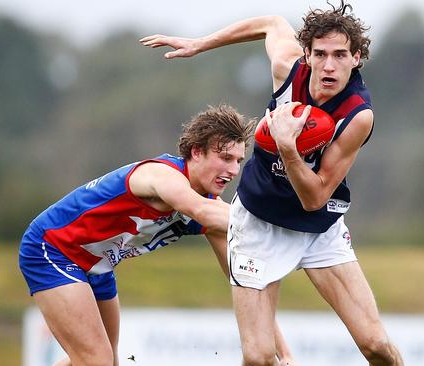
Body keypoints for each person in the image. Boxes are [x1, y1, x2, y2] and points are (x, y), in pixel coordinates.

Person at [140, 2, 404, 365]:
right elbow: (270, 23)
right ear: (307, 55)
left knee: (377, 345)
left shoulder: (357, 116)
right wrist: (201, 43)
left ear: (356, 58)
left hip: (318, 226)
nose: (329, 65)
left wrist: (287, 148)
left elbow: (314, 199)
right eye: (321, 54)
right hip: (258, 222)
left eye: (341, 54)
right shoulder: (288, 69)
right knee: (259, 357)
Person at [18, 104, 293, 366]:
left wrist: (285, 353)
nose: (233, 170)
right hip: (51, 249)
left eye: (238, 160)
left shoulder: (209, 205)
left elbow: (246, 280)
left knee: (105, 360)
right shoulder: (165, 178)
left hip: (97, 264)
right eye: (225, 158)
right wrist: (279, 225)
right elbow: (201, 211)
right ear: (196, 152)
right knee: (96, 359)